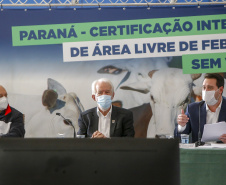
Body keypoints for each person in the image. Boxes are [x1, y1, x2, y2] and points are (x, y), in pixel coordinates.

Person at [175, 73, 226, 143]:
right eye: (204, 87)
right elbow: (179, 138)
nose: (206, 91)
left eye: (210, 88)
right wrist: (181, 126)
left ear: (220, 90)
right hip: (200, 153)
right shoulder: (193, 108)